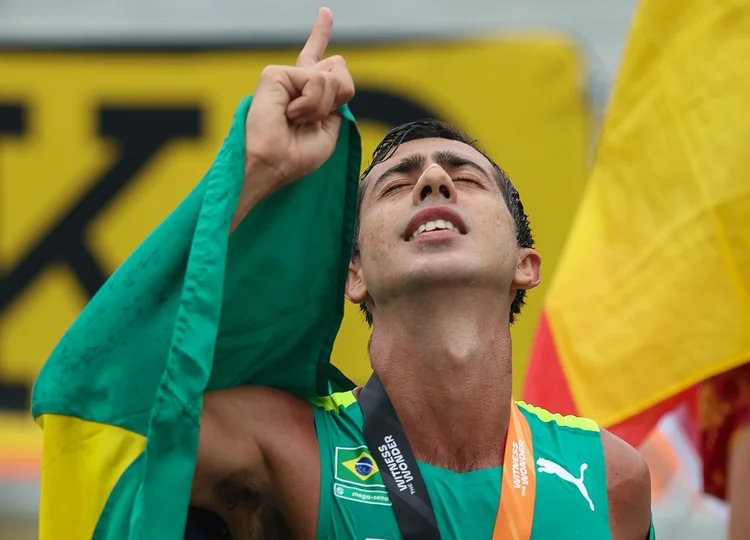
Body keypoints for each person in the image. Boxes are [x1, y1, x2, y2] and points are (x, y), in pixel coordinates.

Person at [179, 8, 654, 540]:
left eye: (466, 178)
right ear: (352, 275)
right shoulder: (286, 446)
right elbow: (108, 421)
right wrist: (255, 169)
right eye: (394, 185)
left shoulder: (612, 477)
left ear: (526, 264)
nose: (432, 179)